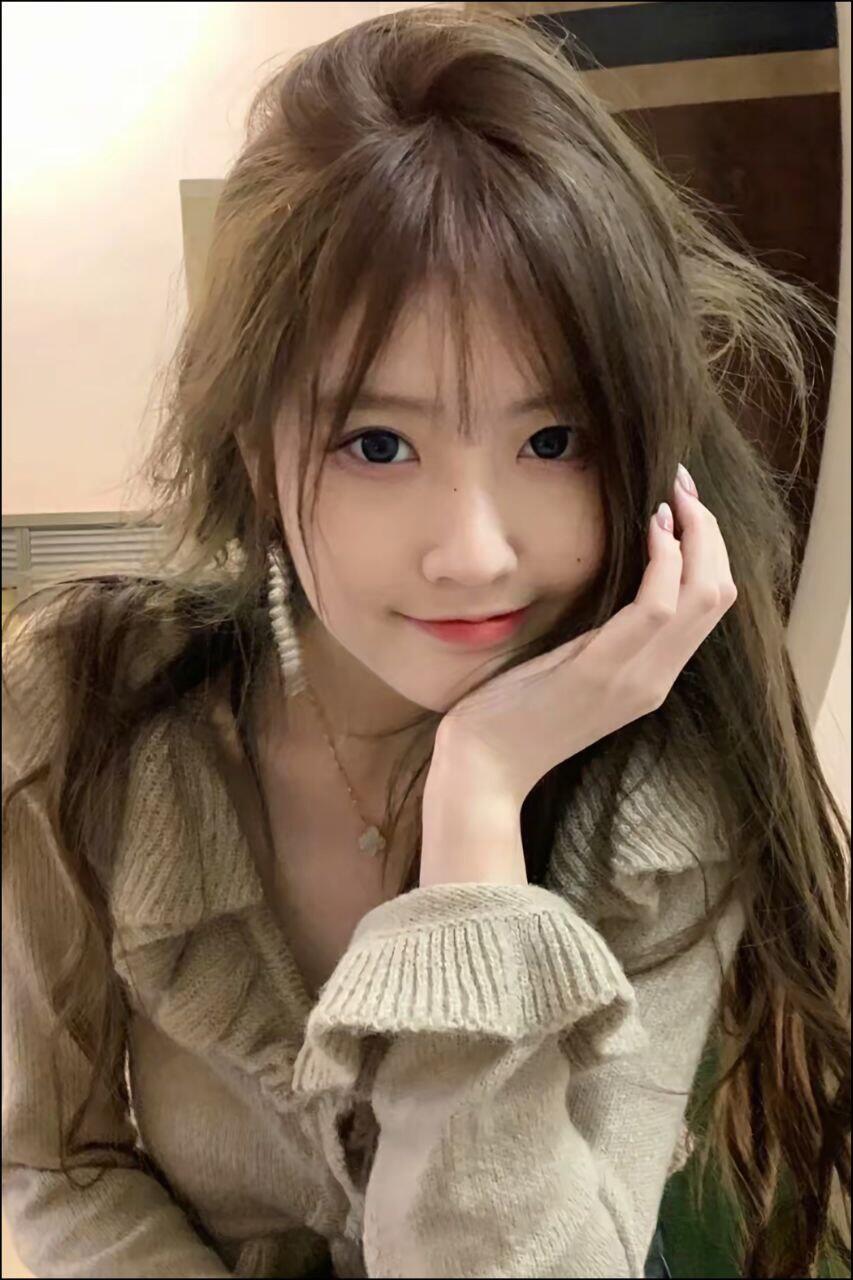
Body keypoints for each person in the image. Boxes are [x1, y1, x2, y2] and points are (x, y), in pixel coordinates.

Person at [2, 6, 849, 1278]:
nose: (475, 551)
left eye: (553, 439)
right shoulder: (85, 707)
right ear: (257, 451)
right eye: (378, 443)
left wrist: (479, 805)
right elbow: (54, 1159)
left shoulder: (666, 796)